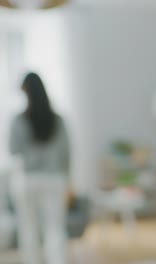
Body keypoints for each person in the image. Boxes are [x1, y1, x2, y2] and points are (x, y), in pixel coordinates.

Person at [9, 72, 70, 264]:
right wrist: (68, 179)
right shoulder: (58, 120)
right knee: (55, 229)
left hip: (28, 180)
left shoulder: (19, 120)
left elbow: (13, 150)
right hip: (55, 179)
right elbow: (67, 153)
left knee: (28, 229)